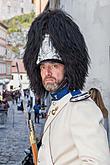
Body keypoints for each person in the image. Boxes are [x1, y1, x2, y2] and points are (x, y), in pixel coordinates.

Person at [23, 9, 110, 165]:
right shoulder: (57, 105)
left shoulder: (81, 108)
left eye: (54, 65)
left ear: (68, 68)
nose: (47, 72)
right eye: (43, 66)